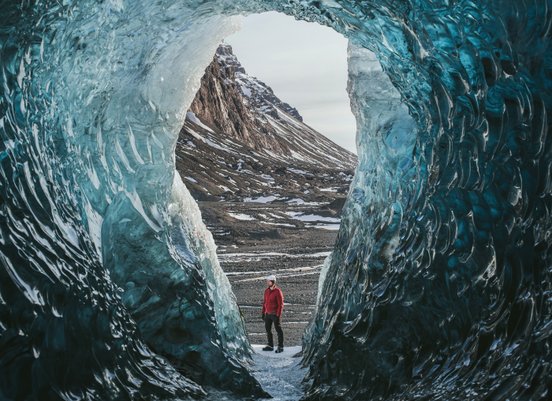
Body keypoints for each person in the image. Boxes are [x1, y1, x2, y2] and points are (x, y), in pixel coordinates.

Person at [261, 274, 284, 353]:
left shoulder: (278, 291)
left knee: (278, 330)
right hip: (268, 314)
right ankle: (270, 345)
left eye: (268, 281)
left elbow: (280, 304)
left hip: (275, 314)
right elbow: (265, 302)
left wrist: (278, 315)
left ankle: (280, 346)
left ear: (273, 282)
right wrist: (263, 312)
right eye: (267, 281)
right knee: (268, 330)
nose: (267, 282)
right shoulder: (266, 291)